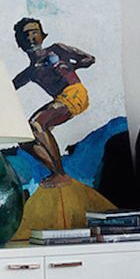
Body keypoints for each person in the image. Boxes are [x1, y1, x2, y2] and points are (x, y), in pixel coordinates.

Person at [11, 17, 95, 186]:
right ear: (19, 42)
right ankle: (57, 172)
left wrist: (71, 67)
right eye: (25, 35)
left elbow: (89, 58)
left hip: (74, 93)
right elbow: (9, 87)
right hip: (61, 100)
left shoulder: (56, 50)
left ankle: (60, 173)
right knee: (25, 137)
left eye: (34, 33)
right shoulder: (30, 72)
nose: (31, 37)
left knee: (36, 123)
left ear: (42, 36)